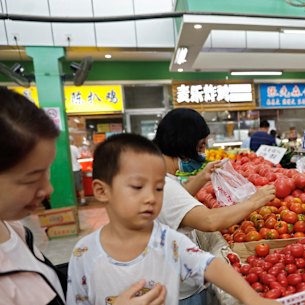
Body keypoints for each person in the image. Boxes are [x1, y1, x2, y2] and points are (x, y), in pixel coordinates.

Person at [66, 133, 279, 305]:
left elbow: (210, 265)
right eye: (138, 187)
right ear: (102, 191)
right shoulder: (84, 254)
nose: (151, 197)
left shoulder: (167, 241)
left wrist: (252, 298)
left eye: (159, 188)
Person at [0, 88, 165, 305]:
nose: (48, 189)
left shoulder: (14, 229)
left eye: (46, 171)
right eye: (31, 178)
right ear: (102, 190)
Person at [153, 109, 275, 304]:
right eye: (200, 145)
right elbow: (209, 221)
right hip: (180, 293)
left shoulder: (160, 177)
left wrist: (202, 177)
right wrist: (253, 201)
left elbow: (177, 202)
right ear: (183, 143)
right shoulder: (162, 184)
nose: (203, 152)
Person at [70, 136, 86, 205]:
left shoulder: (62, 148)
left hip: (67, 170)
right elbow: (79, 157)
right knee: (79, 186)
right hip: (76, 169)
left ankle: (72, 202)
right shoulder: (73, 147)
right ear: (72, 141)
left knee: (70, 186)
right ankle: (82, 201)